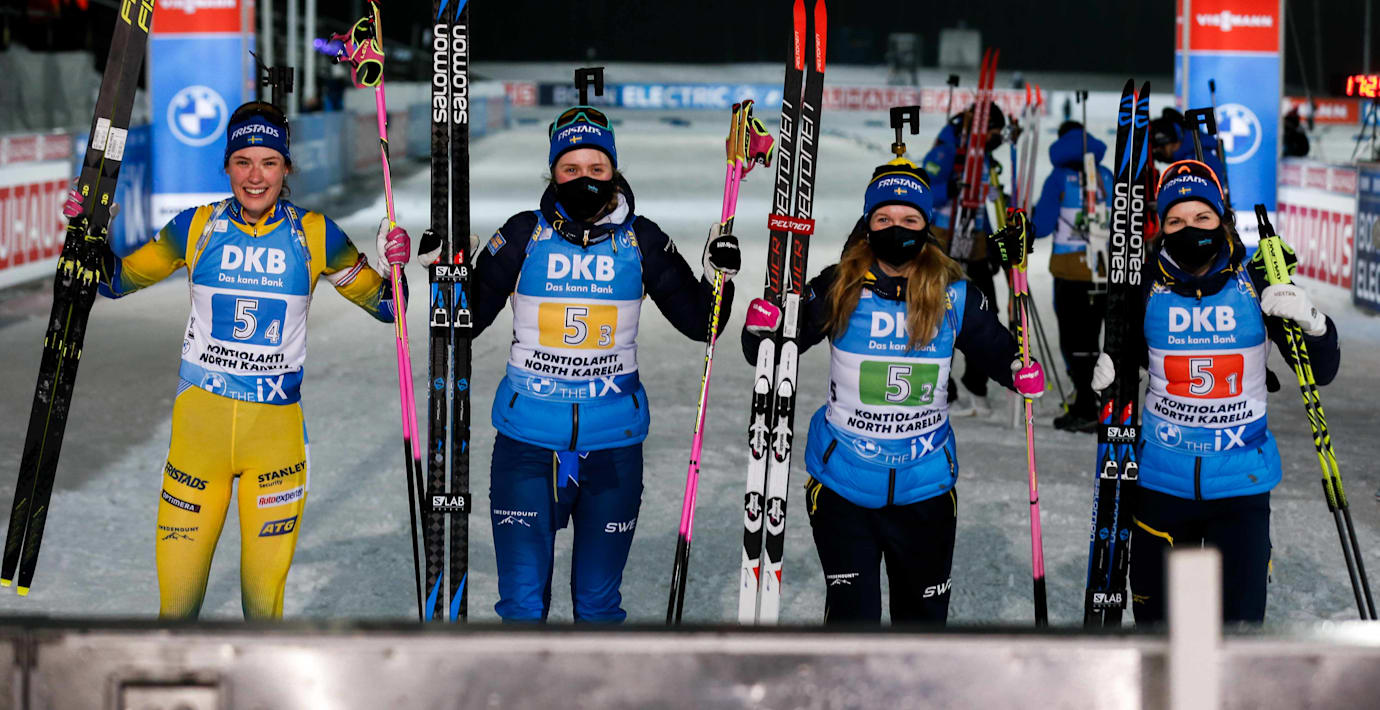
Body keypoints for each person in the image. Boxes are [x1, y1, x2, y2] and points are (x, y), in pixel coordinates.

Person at [74, 100, 412, 619]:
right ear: (228, 166)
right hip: (197, 447)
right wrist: (87, 232)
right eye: (243, 162)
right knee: (176, 616)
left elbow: (389, 308)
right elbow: (115, 281)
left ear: (286, 167)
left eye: (269, 162)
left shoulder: (317, 234)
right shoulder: (196, 227)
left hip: (274, 449)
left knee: (263, 612)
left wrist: (397, 268)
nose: (256, 177)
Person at [465, 103, 739, 622]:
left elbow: (701, 324)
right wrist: (450, 273)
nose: (584, 178)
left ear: (614, 171)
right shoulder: (523, 235)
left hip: (613, 446)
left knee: (598, 605)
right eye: (570, 168)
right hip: (527, 444)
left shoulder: (642, 240)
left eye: (597, 167)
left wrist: (718, 278)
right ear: (553, 173)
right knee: (521, 607)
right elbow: (462, 324)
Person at [741, 159, 1045, 625]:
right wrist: (760, 327)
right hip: (844, 486)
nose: (895, 228)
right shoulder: (840, 285)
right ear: (867, 224)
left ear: (926, 226)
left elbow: (1000, 351)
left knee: (921, 628)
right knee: (853, 624)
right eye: (883, 218)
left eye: (909, 219)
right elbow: (771, 353)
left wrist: (1020, 370)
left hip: (925, 489)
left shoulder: (953, 294)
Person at [1089, 160, 1340, 625]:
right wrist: (1110, 372)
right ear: (1161, 228)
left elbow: (1321, 372)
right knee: (1160, 632)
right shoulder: (1144, 283)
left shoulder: (1257, 279)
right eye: (1175, 221)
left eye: (1202, 217)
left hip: (1240, 484)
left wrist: (1314, 323)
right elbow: (1126, 363)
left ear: (1222, 219)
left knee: (1236, 632)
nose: (1190, 229)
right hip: (1161, 481)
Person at [921, 102, 1010, 417]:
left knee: (984, 312)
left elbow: (983, 204)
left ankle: (976, 383)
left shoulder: (983, 157)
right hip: (944, 242)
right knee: (940, 314)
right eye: (994, 132)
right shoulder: (947, 149)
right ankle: (942, 388)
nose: (997, 138)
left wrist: (992, 243)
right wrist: (950, 187)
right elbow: (924, 191)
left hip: (975, 243)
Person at [1031, 121, 1115, 432]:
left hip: (1070, 272)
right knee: (1097, 341)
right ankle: (1103, 402)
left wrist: (1026, 216)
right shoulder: (1106, 175)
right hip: (1106, 270)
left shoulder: (1058, 177)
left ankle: (1085, 407)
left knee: (1074, 343)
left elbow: (1041, 227)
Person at [1149, 108, 1227, 186]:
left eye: (1161, 147)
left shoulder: (1196, 161)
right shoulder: (1190, 155)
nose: (1157, 150)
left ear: (1174, 142)